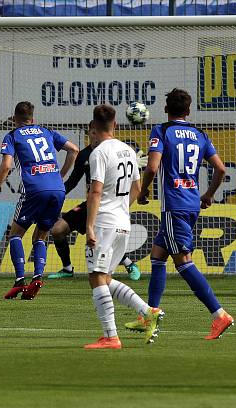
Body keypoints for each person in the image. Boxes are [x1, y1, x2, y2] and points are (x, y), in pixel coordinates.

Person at [133, 88, 235, 340]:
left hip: (174, 206)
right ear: (188, 111)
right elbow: (221, 169)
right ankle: (149, 314)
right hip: (191, 204)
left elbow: (153, 167)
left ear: (166, 109)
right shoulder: (200, 134)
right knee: (158, 256)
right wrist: (209, 194)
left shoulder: (162, 130)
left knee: (183, 262)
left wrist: (144, 191)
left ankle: (219, 314)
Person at [0, 101, 79, 299]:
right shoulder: (46, 131)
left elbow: (6, 166)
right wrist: (61, 175)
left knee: (15, 235)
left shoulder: (12, 136)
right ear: (32, 119)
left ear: (15, 119)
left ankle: (19, 282)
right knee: (39, 237)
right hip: (57, 190)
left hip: (34, 190)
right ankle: (38, 277)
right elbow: (74, 150)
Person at [83, 105, 163, 349]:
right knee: (105, 277)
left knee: (96, 277)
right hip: (123, 222)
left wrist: (89, 226)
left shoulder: (98, 153)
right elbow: (138, 190)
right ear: (115, 125)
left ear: (93, 128)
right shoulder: (128, 150)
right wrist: (121, 207)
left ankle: (110, 336)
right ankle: (147, 311)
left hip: (105, 222)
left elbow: (95, 191)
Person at [47, 124, 141, 281]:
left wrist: (121, 206)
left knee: (102, 241)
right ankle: (67, 268)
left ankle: (129, 264)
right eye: (92, 132)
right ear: (89, 133)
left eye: (97, 132)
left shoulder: (112, 151)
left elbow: (135, 186)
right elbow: (73, 181)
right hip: (92, 203)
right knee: (57, 230)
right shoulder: (84, 155)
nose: (95, 136)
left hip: (110, 206)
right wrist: (58, 194)